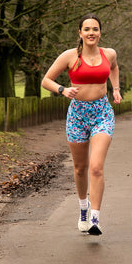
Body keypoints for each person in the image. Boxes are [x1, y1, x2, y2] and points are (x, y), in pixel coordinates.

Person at [42, 13, 122, 236]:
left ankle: (95, 218)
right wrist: (63, 90)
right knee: (80, 168)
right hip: (77, 114)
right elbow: (46, 80)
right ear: (80, 33)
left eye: (95, 29)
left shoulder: (109, 54)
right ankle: (83, 209)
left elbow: (114, 68)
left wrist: (115, 89)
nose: (91, 33)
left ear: (100, 32)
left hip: (102, 113)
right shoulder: (70, 56)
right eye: (87, 29)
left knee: (96, 166)